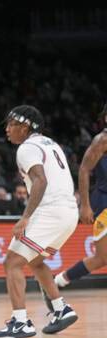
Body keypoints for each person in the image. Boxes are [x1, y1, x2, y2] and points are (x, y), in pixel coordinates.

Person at [0, 105, 78, 338]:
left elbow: (40, 180)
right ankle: (61, 309)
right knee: (36, 262)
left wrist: (25, 217)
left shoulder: (27, 148)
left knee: (12, 263)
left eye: (11, 124)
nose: (7, 129)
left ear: (25, 126)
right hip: (69, 212)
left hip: (49, 211)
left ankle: (21, 322)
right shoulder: (50, 143)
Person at [54, 102, 107, 289]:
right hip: (104, 202)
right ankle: (58, 281)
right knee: (102, 257)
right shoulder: (102, 140)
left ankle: (59, 280)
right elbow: (84, 169)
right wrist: (85, 205)